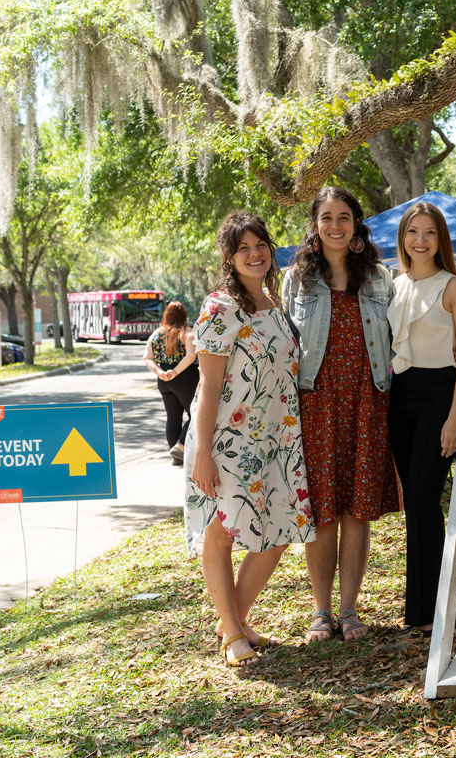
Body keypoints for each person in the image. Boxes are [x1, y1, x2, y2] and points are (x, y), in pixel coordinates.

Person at [184, 211, 315, 668]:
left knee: (277, 532)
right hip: (229, 441)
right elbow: (210, 387)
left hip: (277, 442)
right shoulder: (219, 308)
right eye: (244, 248)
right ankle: (234, 633)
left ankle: (232, 618)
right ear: (229, 257)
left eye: (260, 245)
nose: (255, 254)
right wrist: (202, 452)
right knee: (223, 533)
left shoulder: (276, 304)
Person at [283, 186, 399, 643]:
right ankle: (321, 611)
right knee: (323, 509)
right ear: (315, 225)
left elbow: (402, 335)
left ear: (356, 226)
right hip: (316, 404)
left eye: (344, 217)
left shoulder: (379, 278)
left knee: (357, 510)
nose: (335, 225)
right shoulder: (296, 281)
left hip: (367, 401)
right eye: (327, 217)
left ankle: (349, 609)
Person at [387, 201, 456, 637]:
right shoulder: (393, 286)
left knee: (424, 498)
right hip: (400, 397)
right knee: (413, 504)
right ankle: (422, 606)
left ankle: (432, 610)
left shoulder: (454, 286)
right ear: (403, 238)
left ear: (441, 240)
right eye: (413, 232)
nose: (420, 241)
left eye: (429, 233)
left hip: (441, 395)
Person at [143, 301, 198, 466]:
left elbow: (147, 357)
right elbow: (190, 357)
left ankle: (175, 454)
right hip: (185, 378)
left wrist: (159, 372)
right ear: (184, 316)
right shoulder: (188, 333)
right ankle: (180, 446)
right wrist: (175, 372)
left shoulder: (156, 335)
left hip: (164, 381)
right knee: (195, 413)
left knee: (172, 417)